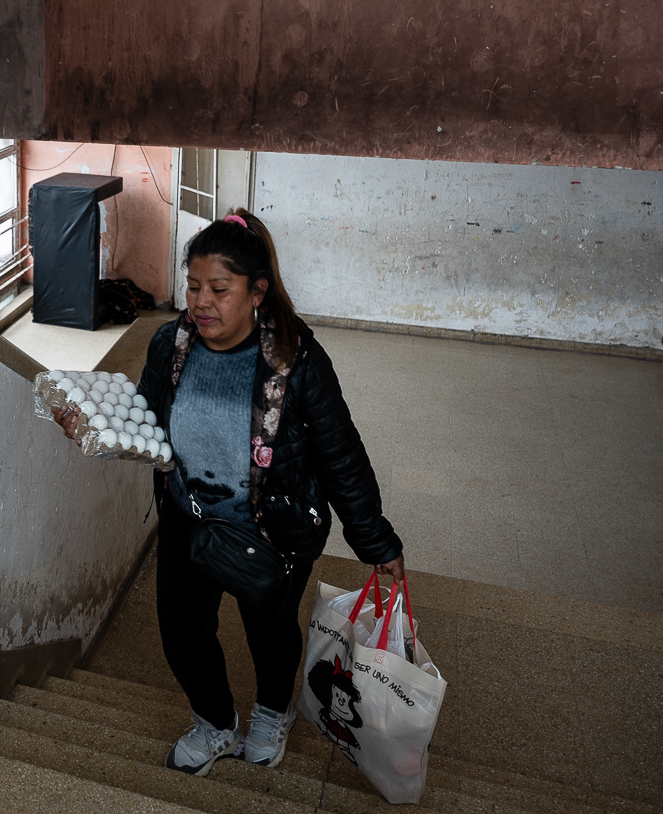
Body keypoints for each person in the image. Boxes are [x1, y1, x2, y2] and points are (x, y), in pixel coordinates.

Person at [54, 209, 405, 777]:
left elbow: (340, 451)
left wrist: (373, 536)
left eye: (219, 289)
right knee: (181, 631)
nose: (201, 302)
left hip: (270, 527)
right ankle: (215, 722)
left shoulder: (295, 359)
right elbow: (147, 418)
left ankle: (272, 712)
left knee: (269, 633)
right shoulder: (171, 344)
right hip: (188, 515)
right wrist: (97, 428)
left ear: (257, 292)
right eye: (192, 287)